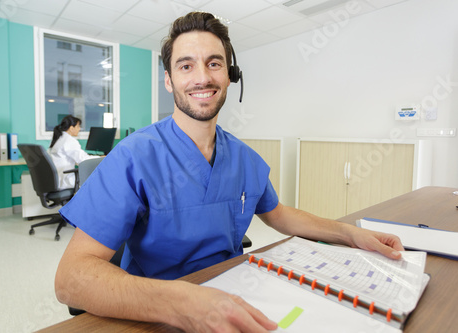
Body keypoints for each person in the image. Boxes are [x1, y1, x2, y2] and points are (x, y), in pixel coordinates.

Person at [54, 12, 404, 332]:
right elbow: (71, 278)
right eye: (186, 66)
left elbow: (279, 214)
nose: (203, 77)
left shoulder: (244, 158)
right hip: (157, 311)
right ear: (168, 80)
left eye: (214, 63)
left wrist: (349, 234)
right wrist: (181, 304)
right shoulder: (134, 157)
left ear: (231, 75)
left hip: (235, 293)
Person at [48, 115, 97, 189]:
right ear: (71, 128)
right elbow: (83, 160)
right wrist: (100, 158)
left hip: (56, 180)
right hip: (65, 181)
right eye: (78, 127)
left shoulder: (59, 139)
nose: (79, 129)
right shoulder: (69, 141)